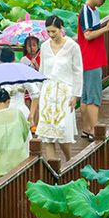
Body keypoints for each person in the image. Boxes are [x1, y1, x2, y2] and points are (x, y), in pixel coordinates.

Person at [32, 15, 83, 162]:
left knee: (64, 130)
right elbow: (42, 70)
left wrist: (75, 94)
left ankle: (69, 159)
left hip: (65, 91)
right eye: (48, 32)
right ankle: (51, 166)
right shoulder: (45, 46)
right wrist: (39, 94)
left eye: (54, 31)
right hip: (48, 90)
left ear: (61, 29)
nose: (51, 35)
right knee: (47, 132)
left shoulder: (73, 47)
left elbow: (78, 71)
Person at [77, 0, 109, 141]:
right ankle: (94, 130)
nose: (103, 2)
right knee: (93, 97)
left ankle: (87, 129)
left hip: (89, 58)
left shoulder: (92, 11)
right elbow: (87, 35)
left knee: (86, 97)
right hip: (91, 59)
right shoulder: (86, 10)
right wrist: (107, 28)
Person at [0, 88, 31, 175]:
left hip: (0, 163)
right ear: (8, 101)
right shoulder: (17, 113)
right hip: (19, 158)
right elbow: (25, 132)